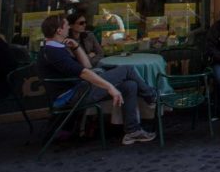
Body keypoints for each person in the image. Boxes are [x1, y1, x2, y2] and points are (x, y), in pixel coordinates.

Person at [36, 14, 157, 145]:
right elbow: (84, 72)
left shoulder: (53, 47)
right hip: (72, 96)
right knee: (127, 69)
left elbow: (87, 65)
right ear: (59, 30)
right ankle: (151, 96)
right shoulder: (54, 52)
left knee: (130, 85)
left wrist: (76, 47)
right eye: (66, 26)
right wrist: (110, 87)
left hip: (78, 90)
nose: (68, 28)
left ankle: (133, 132)